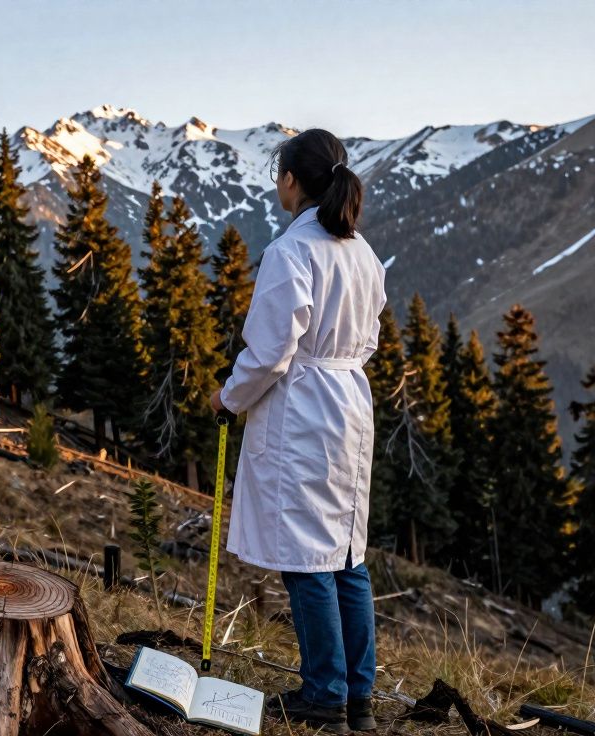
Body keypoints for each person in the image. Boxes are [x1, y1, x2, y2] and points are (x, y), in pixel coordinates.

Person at [209, 128, 386, 734]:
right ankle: (358, 696)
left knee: (308, 557)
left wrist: (229, 398)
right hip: (349, 403)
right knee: (347, 552)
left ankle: (324, 694)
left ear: (291, 180)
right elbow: (370, 339)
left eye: (278, 176)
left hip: (303, 409)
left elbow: (269, 352)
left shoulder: (292, 252)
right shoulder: (362, 254)